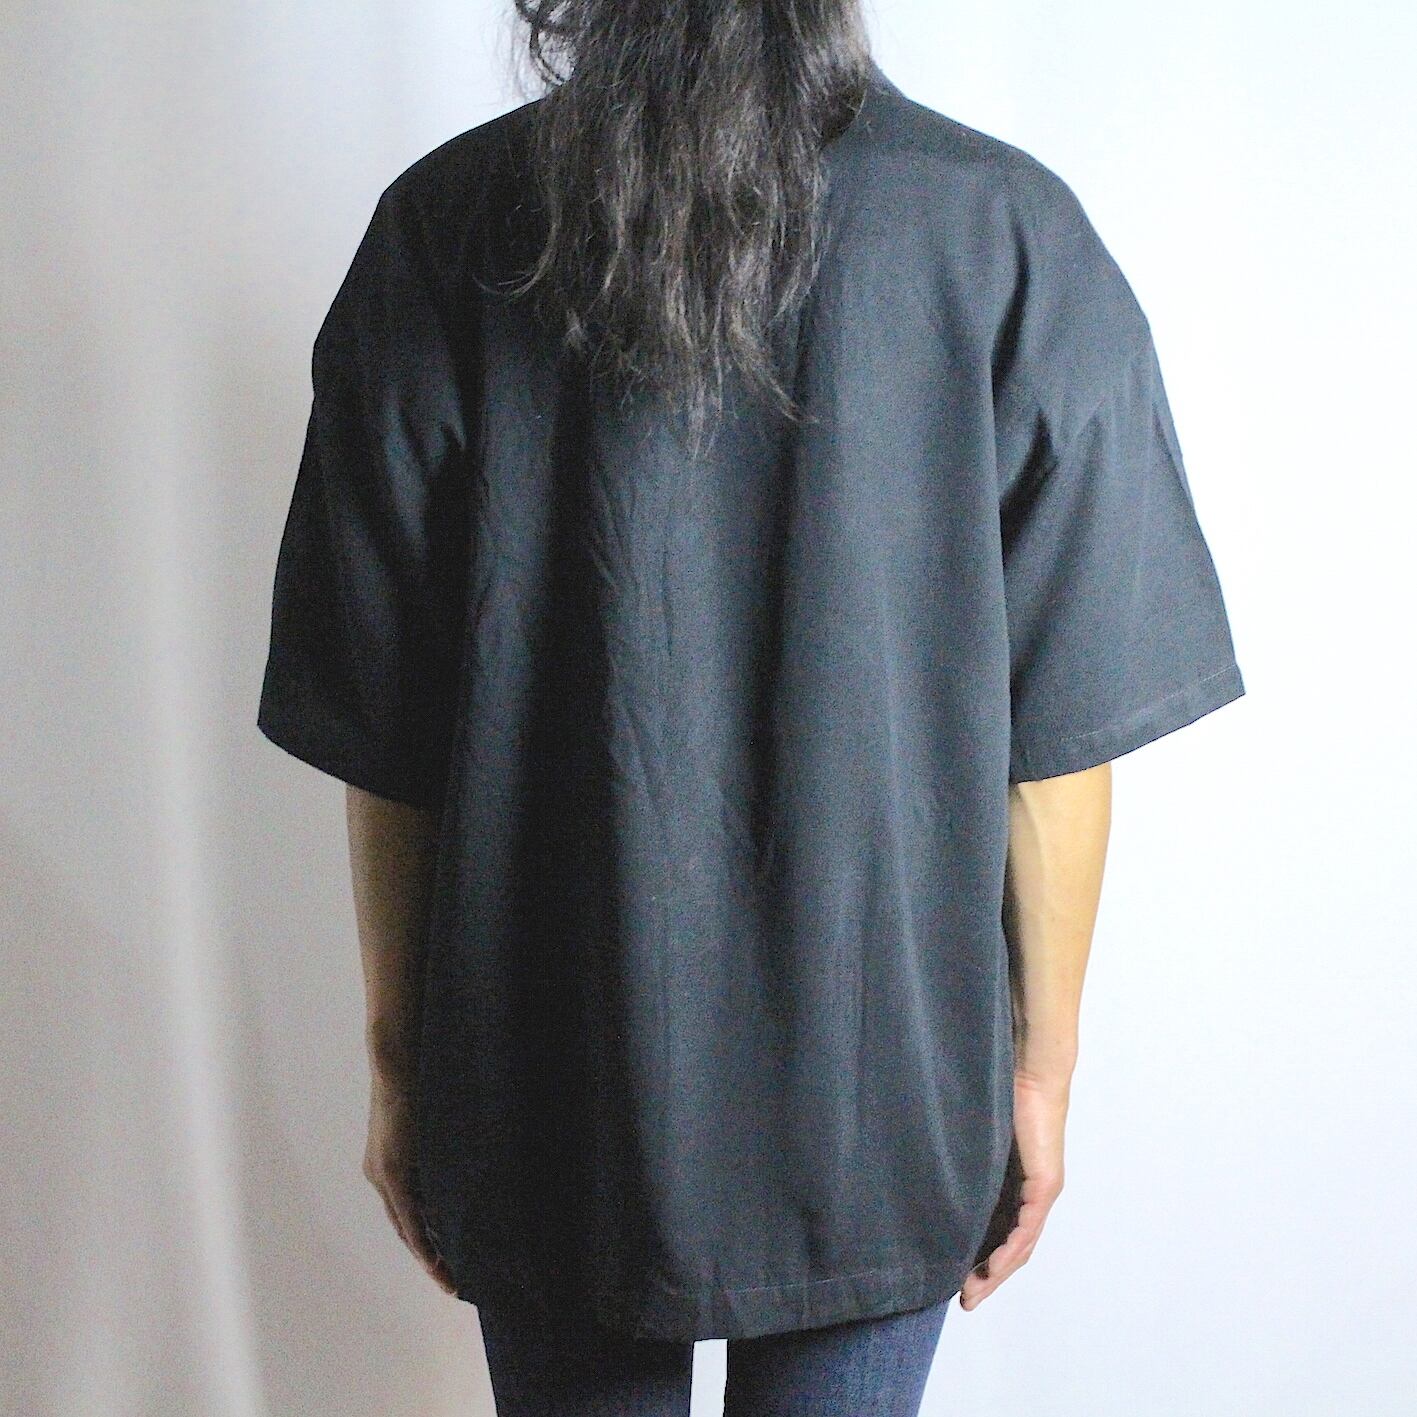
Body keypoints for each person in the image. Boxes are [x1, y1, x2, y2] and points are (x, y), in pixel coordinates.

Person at [256, 3, 1246, 1412]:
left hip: (548, 1076)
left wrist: (402, 1063)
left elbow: (392, 728)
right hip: (883, 1081)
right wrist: (1040, 1077)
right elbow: (1057, 736)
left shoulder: (449, 226)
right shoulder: (1004, 230)